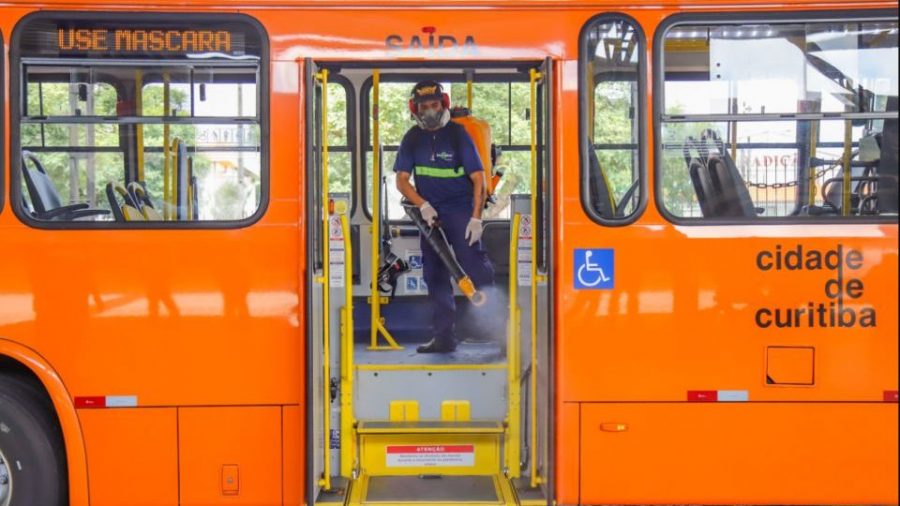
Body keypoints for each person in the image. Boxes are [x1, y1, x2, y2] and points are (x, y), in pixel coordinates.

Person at [394, 80, 495, 353]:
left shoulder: (458, 135)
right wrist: (423, 206)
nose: (430, 111)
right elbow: (402, 181)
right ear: (415, 109)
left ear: (444, 105)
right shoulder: (412, 138)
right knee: (435, 275)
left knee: (474, 264)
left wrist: (476, 218)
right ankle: (444, 338)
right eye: (424, 107)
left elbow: (479, 179)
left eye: (434, 105)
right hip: (430, 215)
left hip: (460, 211)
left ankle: (500, 330)